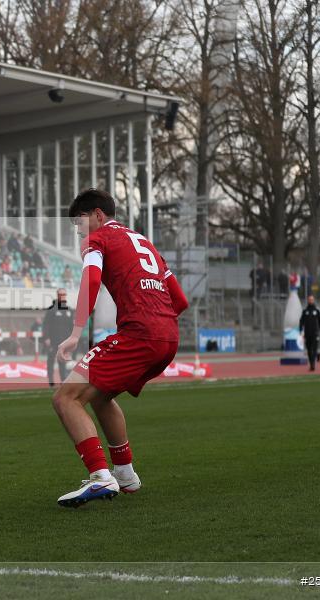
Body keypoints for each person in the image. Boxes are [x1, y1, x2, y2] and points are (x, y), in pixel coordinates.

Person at [53, 189, 189, 508]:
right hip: (168, 336)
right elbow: (180, 300)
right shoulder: (145, 243)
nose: (78, 230)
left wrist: (75, 333)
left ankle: (101, 476)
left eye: (80, 222)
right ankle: (125, 473)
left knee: (65, 397)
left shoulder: (98, 239)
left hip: (140, 333)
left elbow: (91, 279)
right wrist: (157, 326)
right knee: (100, 395)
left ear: (98, 216)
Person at [43, 288, 74, 387]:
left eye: (64, 294)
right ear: (57, 295)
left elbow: (72, 326)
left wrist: (72, 339)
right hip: (53, 340)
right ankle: (51, 380)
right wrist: (46, 338)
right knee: (51, 360)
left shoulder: (69, 310)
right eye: (61, 294)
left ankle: (63, 380)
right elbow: (46, 324)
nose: (63, 296)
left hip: (65, 341)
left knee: (63, 361)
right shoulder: (52, 309)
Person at [299, 295, 320, 371]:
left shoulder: (317, 310)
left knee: (315, 349)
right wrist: (301, 331)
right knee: (309, 350)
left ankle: (313, 364)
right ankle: (311, 364)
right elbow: (301, 322)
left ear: (313, 300)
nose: (311, 301)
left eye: (312, 299)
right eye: (309, 299)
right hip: (307, 333)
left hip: (315, 333)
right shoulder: (305, 311)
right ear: (308, 300)